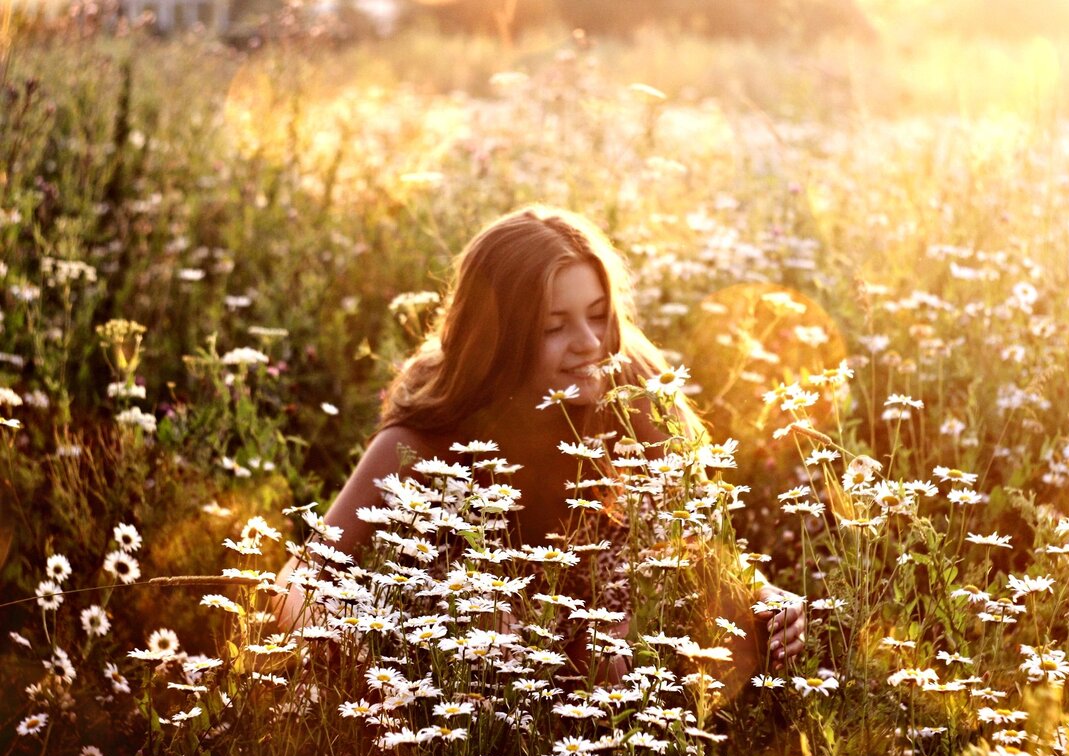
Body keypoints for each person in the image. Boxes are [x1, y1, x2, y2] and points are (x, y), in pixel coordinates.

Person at [272, 205, 805, 678]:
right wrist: (337, 641)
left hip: (621, 658)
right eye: (555, 326)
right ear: (498, 341)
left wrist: (762, 597)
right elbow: (307, 570)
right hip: (477, 679)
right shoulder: (434, 428)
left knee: (624, 658)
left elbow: (700, 542)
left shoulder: (634, 386)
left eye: (598, 316)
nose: (591, 343)